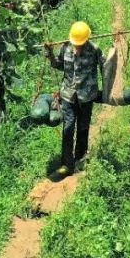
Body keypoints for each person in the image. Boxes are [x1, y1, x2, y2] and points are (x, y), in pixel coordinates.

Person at [45, 21, 103, 175]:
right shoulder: (65, 48)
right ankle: (66, 164)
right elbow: (58, 65)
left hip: (87, 96)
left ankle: (80, 158)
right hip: (68, 96)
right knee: (68, 128)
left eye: (80, 44)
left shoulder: (95, 50)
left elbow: (105, 68)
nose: (77, 46)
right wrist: (50, 54)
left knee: (83, 127)